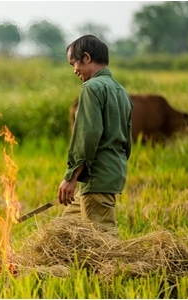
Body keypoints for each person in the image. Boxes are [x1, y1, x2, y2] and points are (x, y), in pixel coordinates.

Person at [58, 35, 132, 237]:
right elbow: (128, 142)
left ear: (87, 57)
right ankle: (67, 267)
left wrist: (71, 177)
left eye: (74, 63)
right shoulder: (121, 92)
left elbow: (88, 136)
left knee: (102, 239)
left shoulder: (91, 89)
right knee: (65, 230)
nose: (74, 70)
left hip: (98, 176)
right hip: (109, 173)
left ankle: (118, 269)